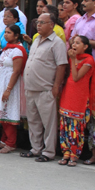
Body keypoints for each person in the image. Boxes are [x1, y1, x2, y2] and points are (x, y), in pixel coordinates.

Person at [20, 13, 68, 162]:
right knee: (33, 121)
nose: (38, 25)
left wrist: (56, 86)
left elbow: (61, 65)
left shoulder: (57, 43)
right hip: (31, 88)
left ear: (51, 25)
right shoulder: (36, 40)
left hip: (45, 89)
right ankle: (36, 149)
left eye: (42, 22)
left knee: (49, 123)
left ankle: (48, 152)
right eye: (37, 22)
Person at [57, 36, 95, 167]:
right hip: (68, 95)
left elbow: (76, 77)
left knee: (76, 128)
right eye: (73, 43)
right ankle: (66, 153)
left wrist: (73, 60)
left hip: (79, 98)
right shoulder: (74, 58)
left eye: (78, 43)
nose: (74, 45)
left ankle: (74, 155)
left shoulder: (89, 60)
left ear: (85, 46)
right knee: (65, 126)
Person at [0, 25, 27, 153]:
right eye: (5, 32)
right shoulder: (7, 49)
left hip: (10, 86)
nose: (5, 35)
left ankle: (11, 143)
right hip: (1, 85)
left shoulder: (18, 50)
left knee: (7, 114)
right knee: (1, 113)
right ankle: (3, 140)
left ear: (16, 35)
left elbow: (16, 72)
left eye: (9, 33)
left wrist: (8, 89)